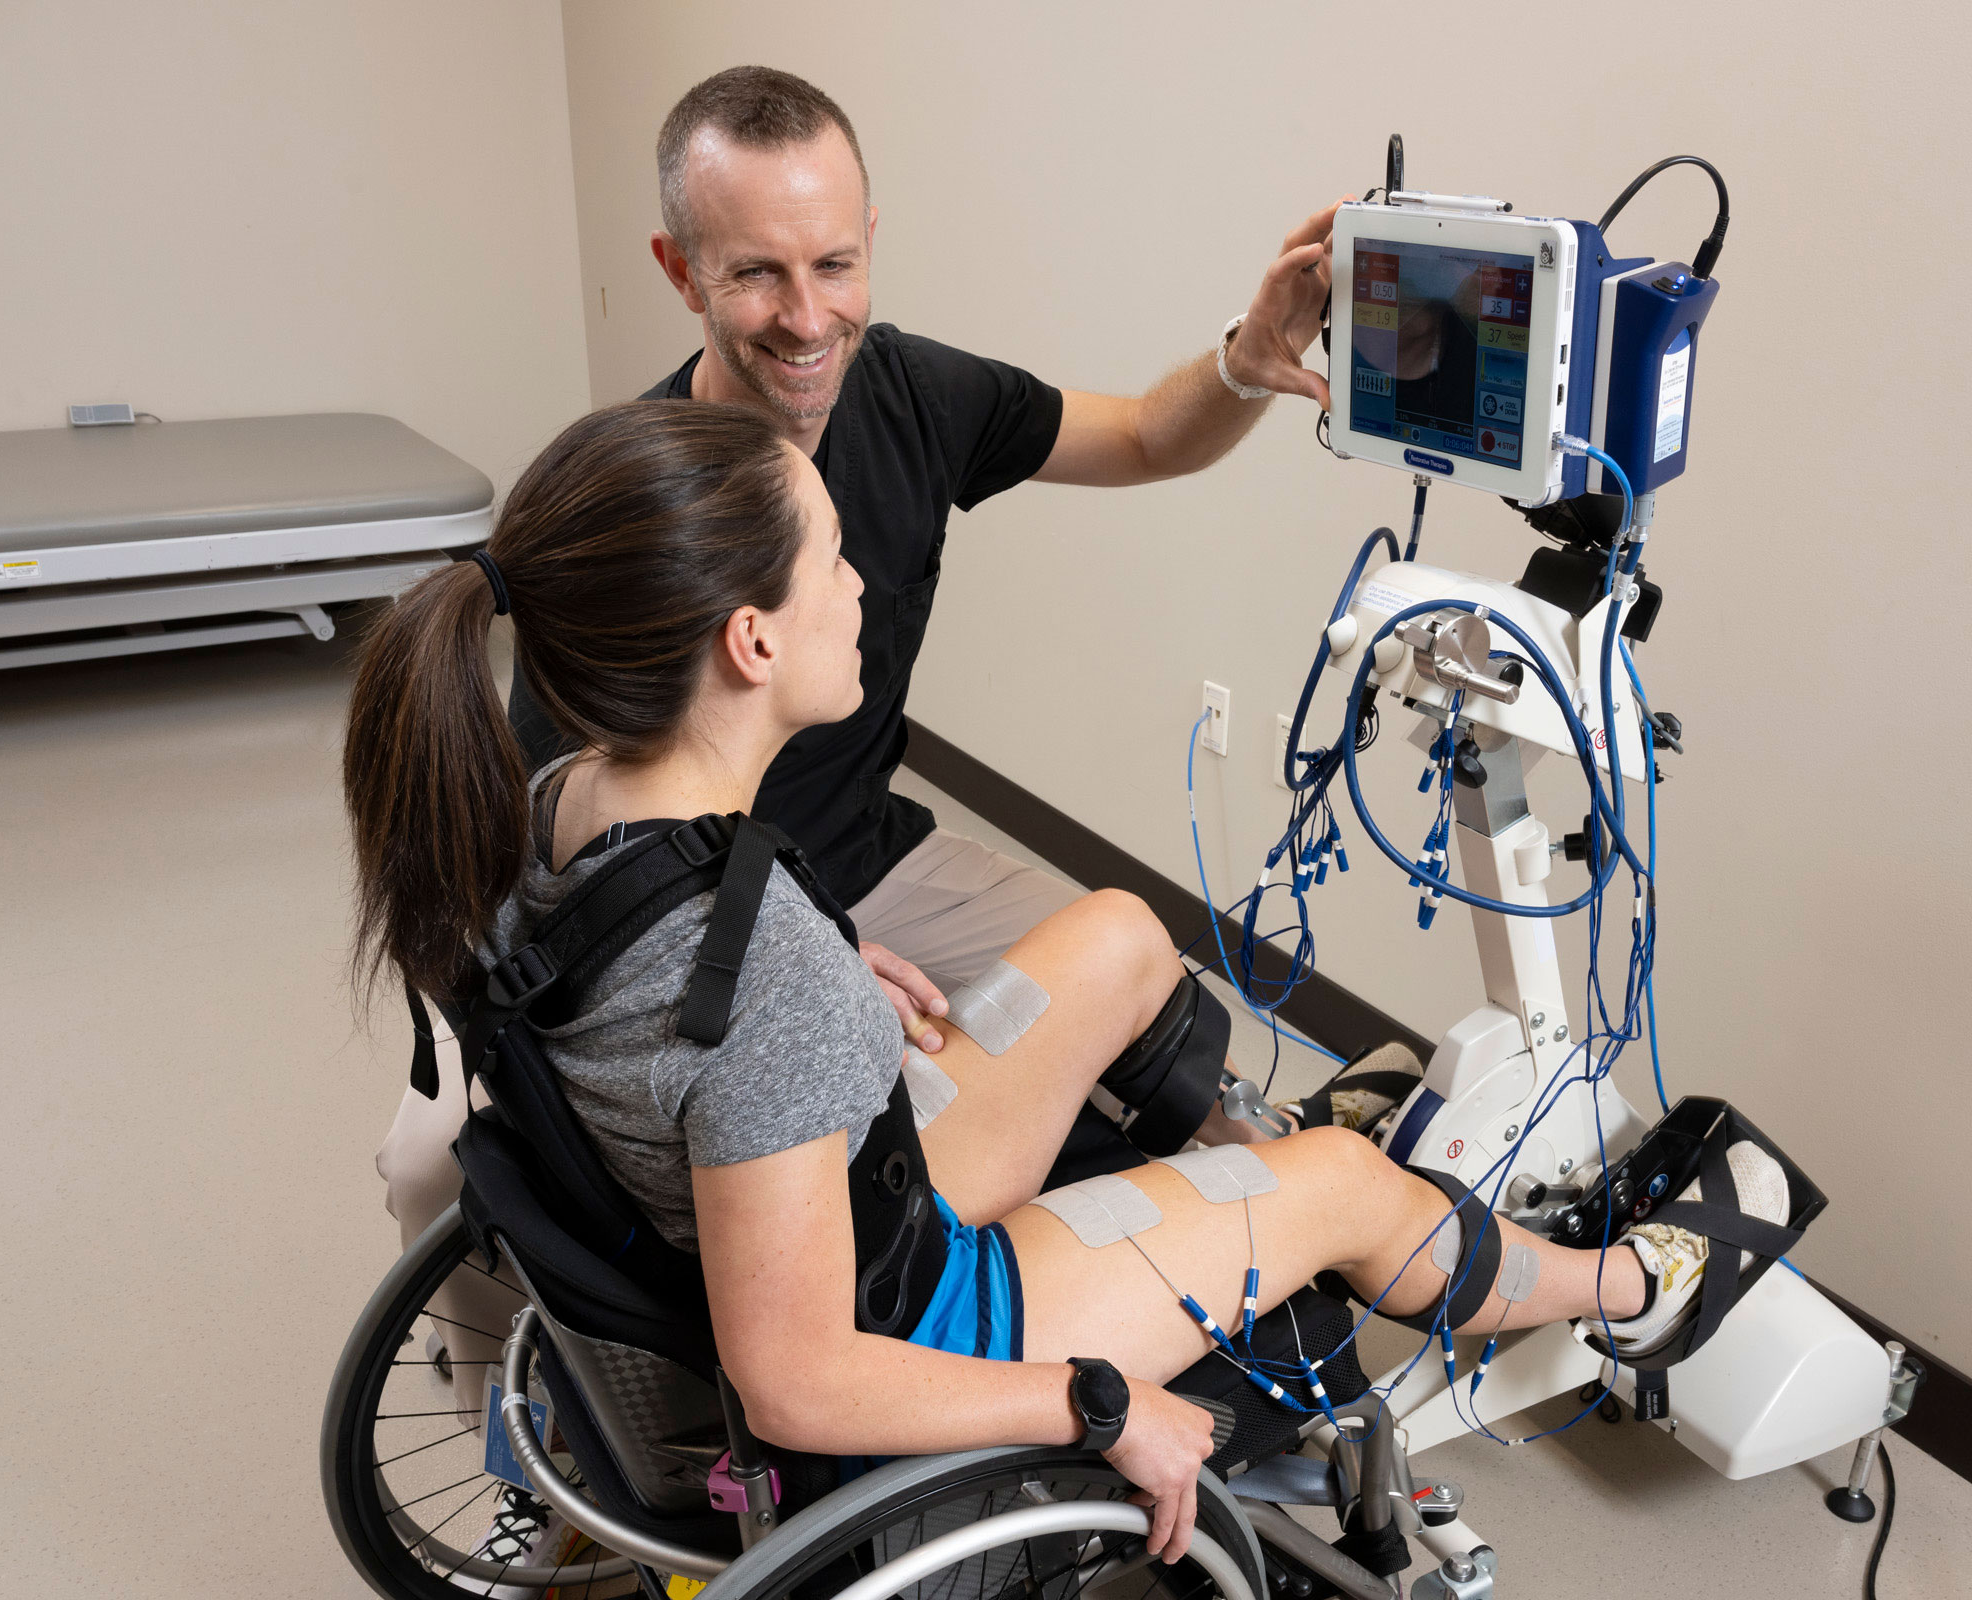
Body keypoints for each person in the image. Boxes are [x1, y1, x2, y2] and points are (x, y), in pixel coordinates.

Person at [343, 400, 1786, 1563]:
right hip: (909, 1313)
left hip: (844, 1179)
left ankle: (1230, 1172)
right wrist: (1097, 1409)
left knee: (1113, 936)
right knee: (1351, 1179)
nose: (859, 585)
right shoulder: (753, 978)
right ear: (752, 641)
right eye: (833, 559)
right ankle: (1622, 1288)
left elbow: (682, 1006)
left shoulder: (553, 804)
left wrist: (826, 956)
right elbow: (794, 1383)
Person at [375, 62, 1355, 1350]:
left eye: (833, 265)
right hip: (704, 920)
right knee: (429, 1168)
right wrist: (813, 962)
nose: (805, 318)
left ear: (870, 243)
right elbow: (562, 836)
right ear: (679, 271)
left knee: (1142, 1006)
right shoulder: (646, 502)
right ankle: (555, 1468)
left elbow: (1142, 439)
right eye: (755, 275)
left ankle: (1251, 1250)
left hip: (873, 864)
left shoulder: (910, 397)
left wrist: (1246, 359)